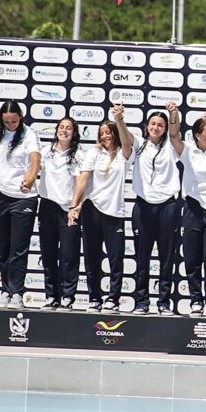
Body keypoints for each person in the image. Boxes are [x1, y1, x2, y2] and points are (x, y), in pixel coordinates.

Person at [68, 105, 134, 313]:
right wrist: (73, 205)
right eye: (101, 133)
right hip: (92, 209)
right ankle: (94, 298)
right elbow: (83, 180)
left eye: (108, 132)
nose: (105, 136)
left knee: (116, 260)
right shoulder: (93, 153)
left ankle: (113, 299)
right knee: (91, 257)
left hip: (114, 213)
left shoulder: (125, 155)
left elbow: (127, 142)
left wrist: (119, 119)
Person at [168, 106, 206, 318]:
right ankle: (196, 299)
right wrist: (173, 116)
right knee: (192, 258)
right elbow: (174, 135)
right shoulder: (187, 151)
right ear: (197, 135)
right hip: (193, 208)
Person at [121, 109, 181, 316]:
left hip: (168, 207)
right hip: (143, 207)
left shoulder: (171, 146)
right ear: (147, 126)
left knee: (167, 258)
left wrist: (174, 115)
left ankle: (163, 302)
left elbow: (175, 132)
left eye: (160, 125)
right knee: (142, 258)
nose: (156, 128)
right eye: (153, 124)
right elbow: (126, 138)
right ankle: (141, 301)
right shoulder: (139, 144)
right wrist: (119, 119)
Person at [0, 101, 41, 309]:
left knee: (18, 248)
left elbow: (35, 161)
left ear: (21, 116)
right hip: (0, 195)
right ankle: (5, 292)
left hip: (23, 198)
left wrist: (29, 179)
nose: (11, 124)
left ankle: (17, 293)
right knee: (2, 248)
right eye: (6, 121)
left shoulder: (29, 134)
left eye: (14, 120)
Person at [37, 117, 83, 310]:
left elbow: (81, 183)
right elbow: (32, 168)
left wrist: (75, 207)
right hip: (47, 206)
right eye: (61, 127)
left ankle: (67, 296)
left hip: (69, 209)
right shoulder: (45, 151)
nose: (64, 131)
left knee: (69, 255)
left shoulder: (79, 154)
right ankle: (51, 296)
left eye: (69, 128)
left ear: (74, 132)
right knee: (48, 253)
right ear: (56, 130)